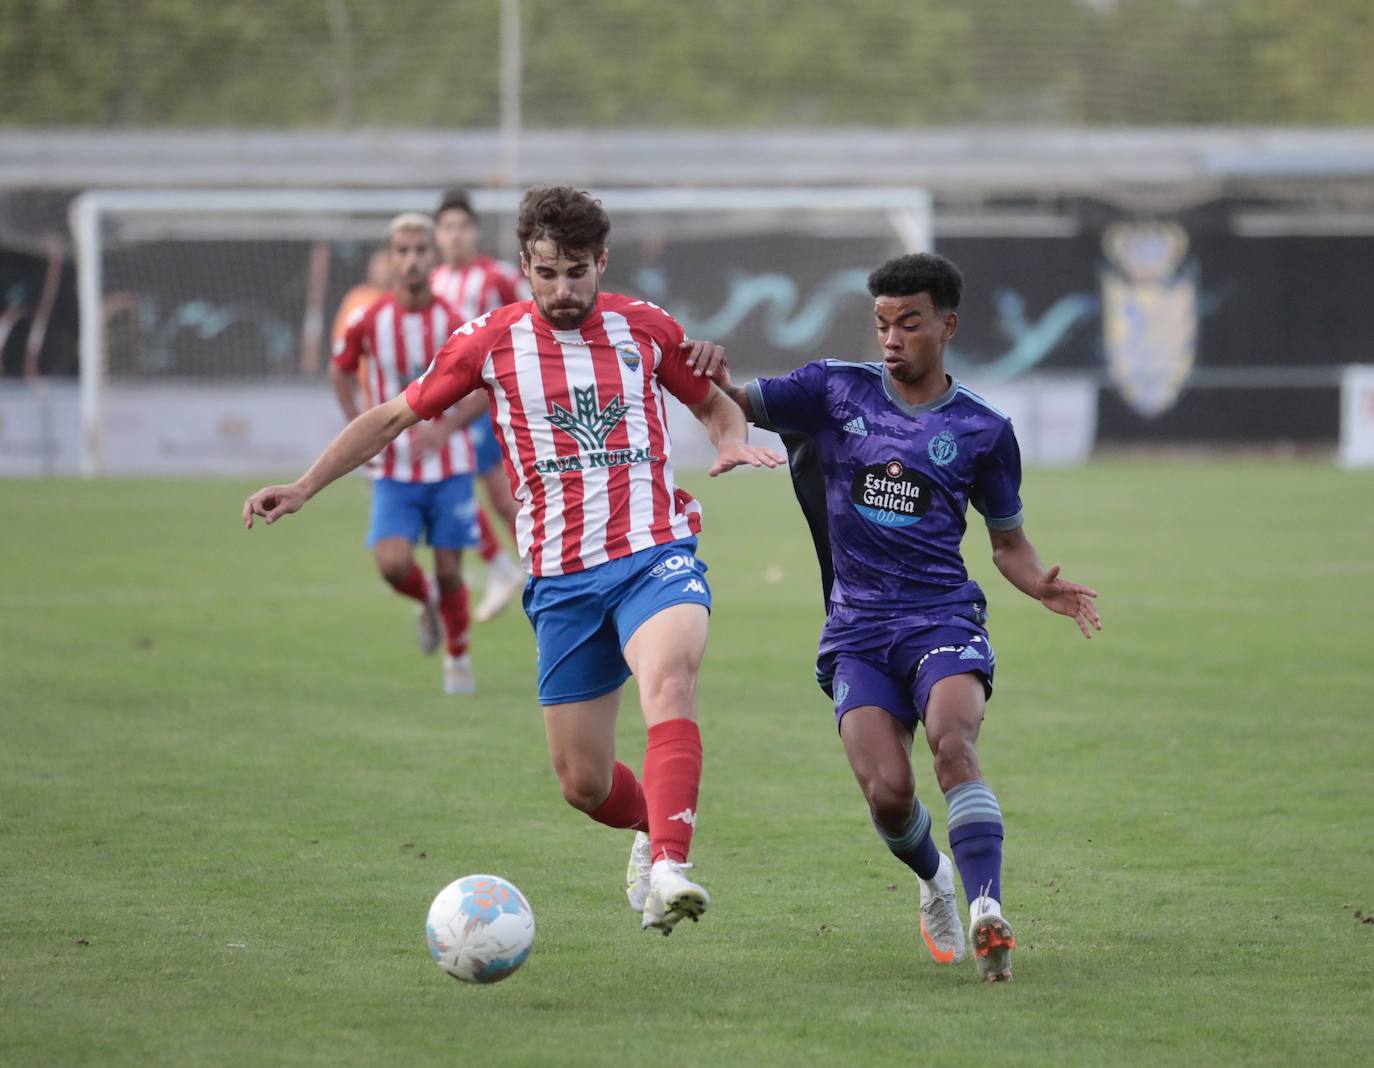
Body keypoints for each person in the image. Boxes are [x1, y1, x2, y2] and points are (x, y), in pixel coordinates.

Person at [245, 186, 784, 934]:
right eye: (546, 273)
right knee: (583, 783)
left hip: (653, 552)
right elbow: (392, 416)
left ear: (602, 261)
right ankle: (643, 829)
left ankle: (669, 864)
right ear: (525, 267)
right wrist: (306, 485)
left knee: (671, 677)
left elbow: (716, 404)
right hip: (562, 581)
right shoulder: (488, 343)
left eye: (576, 272)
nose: (562, 290)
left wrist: (730, 442)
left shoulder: (646, 329)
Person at [705, 252, 1101, 981]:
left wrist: (1038, 584)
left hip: (942, 619)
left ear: (946, 327)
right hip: (856, 630)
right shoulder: (831, 389)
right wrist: (698, 370)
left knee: (954, 743)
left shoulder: (984, 430)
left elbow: (1008, 543)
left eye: (909, 323)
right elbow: (731, 396)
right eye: (882, 323)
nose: (891, 338)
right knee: (889, 796)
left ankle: (988, 909)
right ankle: (936, 880)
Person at [329, 213, 483, 696]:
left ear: (433, 258)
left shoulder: (455, 320)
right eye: (403, 251)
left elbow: (485, 384)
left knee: (450, 569)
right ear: (390, 259)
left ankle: (457, 660)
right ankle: (429, 600)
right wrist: (360, 426)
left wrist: (447, 429)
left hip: (451, 465)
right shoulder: (369, 320)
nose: (413, 259)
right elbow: (340, 370)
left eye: (421, 250)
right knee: (393, 564)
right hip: (393, 468)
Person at [430, 189, 527, 624]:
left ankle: (529, 564)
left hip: (492, 401)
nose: (455, 236)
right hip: (447, 404)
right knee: (451, 490)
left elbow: (531, 316)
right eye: (447, 228)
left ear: (474, 232)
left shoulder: (498, 277)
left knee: (503, 500)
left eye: (462, 227)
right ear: (438, 235)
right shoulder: (432, 282)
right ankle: (502, 565)